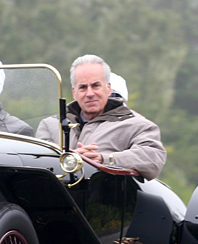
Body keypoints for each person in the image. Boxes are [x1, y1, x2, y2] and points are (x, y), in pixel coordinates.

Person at [36, 54, 166, 180]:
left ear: (108, 89)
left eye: (95, 85)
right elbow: (35, 161)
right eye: (83, 87)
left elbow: (153, 158)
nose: (90, 93)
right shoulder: (50, 124)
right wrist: (72, 157)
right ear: (74, 93)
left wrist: (104, 159)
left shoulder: (138, 125)